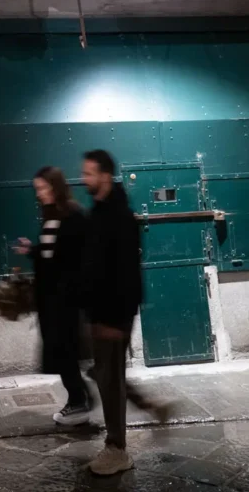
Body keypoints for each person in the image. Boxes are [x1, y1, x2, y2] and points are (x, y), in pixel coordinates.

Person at [80, 150, 171, 477]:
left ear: (105, 175)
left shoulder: (119, 216)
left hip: (112, 315)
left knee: (111, 380)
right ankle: (134, 425)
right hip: (98, 313)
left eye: (90, 173)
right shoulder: (100, 212)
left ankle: (117, 449)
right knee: (105, 376)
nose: (84, 178)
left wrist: (118, 320)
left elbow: (128, 274)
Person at [13, 166, 90, 427]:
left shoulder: (73, 215)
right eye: (37, 190)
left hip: (64, 300)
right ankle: (81, 397)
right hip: (50, 300)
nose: (40, 194)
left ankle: (79, 402)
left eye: (43, 188)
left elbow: (75, 259)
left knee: (64, 352)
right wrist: (31, 250)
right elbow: (50, 256)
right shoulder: (50, 216)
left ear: (56, 187)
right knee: (60, 353)